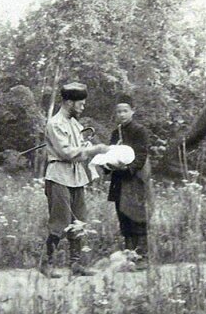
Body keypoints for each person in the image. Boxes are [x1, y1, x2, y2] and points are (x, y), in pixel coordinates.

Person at [41, 82, 109, 278]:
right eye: (80, 103)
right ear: (69, 102)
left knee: (79, 221)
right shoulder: (54, 124)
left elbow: (80, 149)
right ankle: (46, 264)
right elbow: (67, 153)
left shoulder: (74, 123)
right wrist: (93, 149)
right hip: (59, 176)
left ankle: (76, 264)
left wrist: (88, 147)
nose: (83, 106)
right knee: (60, 222)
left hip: (77, 177)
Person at [106, 95, 153, 269]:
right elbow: (110, 153)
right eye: (118, 111)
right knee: (123, 217)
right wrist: (107, 165)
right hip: (118, 181)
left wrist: (129, 168)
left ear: (133, 111)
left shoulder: (139, 131)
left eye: (125, 111)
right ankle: (129, 257)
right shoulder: (115, 133)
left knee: (137, 217)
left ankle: (143, 257)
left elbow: (141, 155)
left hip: (134, 180)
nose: (122, 114)